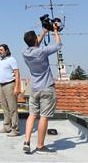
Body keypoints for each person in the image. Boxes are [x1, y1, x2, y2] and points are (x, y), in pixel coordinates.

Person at [22, 23, 61, 154]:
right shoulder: (42, 51)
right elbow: (58, 45)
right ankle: (40, 146)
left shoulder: (25, 53)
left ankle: (26, 142)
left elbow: (34, 44)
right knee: (44, 116)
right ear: (35, 40)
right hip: (47, 88)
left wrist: (44, 31)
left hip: (34, 88)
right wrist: (55, 31)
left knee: (32, 115)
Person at [0, 44, 21, 137]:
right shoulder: (0, 61)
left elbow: (17, 73)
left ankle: (16, 130)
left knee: (12, 108)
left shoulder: (12, 60)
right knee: (5, 108)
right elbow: (0, 74)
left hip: (10, 85)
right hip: (2, 86)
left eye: (1, 50)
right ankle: (7, 127)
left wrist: (17, 87)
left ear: (6, 50)